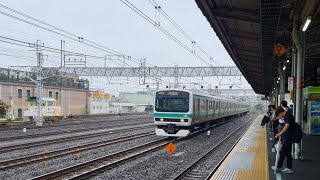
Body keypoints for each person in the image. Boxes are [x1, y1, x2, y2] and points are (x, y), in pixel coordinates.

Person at [271, 106, 295, 173]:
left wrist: (280, 133)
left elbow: (287, 125)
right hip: (288, 136)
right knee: (288, 153)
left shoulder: (287, 115)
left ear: (281, 113)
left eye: (279, 116)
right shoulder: (287, 114)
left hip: (288, 137)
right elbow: (286, 126)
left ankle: (278, 167)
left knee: (282, 152)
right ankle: (289, 168)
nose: (279, 118)